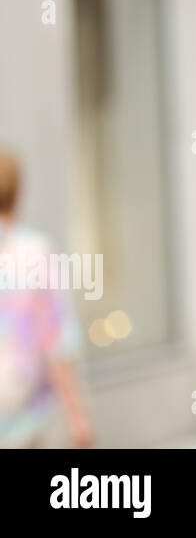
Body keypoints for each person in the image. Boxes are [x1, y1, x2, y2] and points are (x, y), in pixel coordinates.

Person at [0, 150, 92, 448]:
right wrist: (77, 418)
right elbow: (55, 340)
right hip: (23, 411)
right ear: (18, 193)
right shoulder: (36, 254)